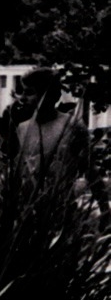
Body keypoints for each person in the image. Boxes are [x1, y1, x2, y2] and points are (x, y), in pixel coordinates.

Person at [13, 69, 98, 223]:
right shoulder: (22, 129)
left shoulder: (71, 127)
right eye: (22, 92)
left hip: (61, 215)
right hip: (27, 217)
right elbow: (19, 175)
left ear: (49, 95)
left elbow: (91, 170)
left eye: (30, 93)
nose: (23, 98)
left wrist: (105, 209)